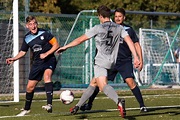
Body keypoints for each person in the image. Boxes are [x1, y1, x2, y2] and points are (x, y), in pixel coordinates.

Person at [56, 5, 140, 118]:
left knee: (103, 86)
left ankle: (118, 101)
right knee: (94, 82)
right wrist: (136, 57)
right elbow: (129, 42)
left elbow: (80, 39)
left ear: (100, 16)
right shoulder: (119, 28)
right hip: (112, 62)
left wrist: (66, 46)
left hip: (100, 61)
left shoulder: (98, 28)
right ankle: (78, 106)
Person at [80, 8, 148, 113]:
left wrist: (139, 59)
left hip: (124, 60)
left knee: (130, 81)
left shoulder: (128, 29)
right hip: (110, 60)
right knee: (98, 82)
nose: (117, 18)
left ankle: (142, 105)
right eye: (116, 16)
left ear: (124, 17)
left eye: (120, 16)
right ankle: (89, 104)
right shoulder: (108, 28)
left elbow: (136, 44)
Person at [6, 16, 60, 116]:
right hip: (37, 63)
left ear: (37, 24)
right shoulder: (27, 38)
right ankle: (26, 109)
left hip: (49, 60)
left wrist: (47, 54)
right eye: (30, 24)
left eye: (35, 23)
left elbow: (56, 45)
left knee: (47, 76)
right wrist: (14, 58)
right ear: (27, 26)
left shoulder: (45, 33)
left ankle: (49, 104)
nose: (33, 26)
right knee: (30, 87)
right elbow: (22, 52)